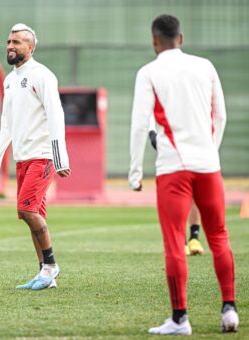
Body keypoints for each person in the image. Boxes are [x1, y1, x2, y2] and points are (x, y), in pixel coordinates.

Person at [129, 14, 238, 335]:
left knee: (174, 243)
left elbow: (139, 124)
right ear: (182, 37)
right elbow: (220, 113)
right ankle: (229, 310)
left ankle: (180, 319)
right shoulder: (205, 66)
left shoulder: (148, 72)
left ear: (154, 41)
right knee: (218, 235)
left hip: (173, 168)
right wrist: (210, 151)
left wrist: (135, 172)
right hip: (208, 164)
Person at [0, 23, 71, 290]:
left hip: (43, 155)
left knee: (26, 210)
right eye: (9, 42)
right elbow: (7, 122)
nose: (10, 46)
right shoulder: (10, 80)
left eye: (17, 42)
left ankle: (51, 265)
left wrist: (60, 157)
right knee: (32, 215)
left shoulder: (42, 75)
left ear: (31, 47)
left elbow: (56, 114)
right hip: (22, 158)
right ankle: (44, 275)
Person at [148, 119, 205, 256]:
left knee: (192, 195)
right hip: (171, 157)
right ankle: (182, 241)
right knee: (177, 198)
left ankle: (193, 238)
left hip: (191, 152)